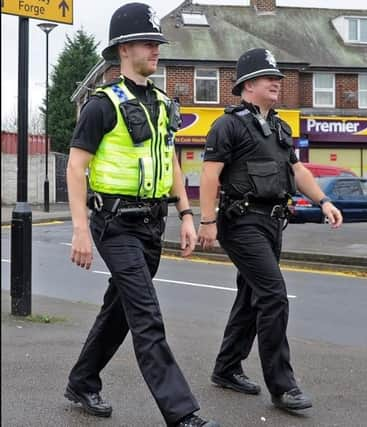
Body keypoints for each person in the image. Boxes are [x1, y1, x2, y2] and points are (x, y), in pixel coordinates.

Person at [64, 3, 219, 426]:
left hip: (152, 223)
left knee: (121, 309)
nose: (156, 50)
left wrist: (186, 214)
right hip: (114, 225)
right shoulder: (101, 105)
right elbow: (76, 166)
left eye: (156, 44)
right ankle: (182, 413)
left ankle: (82, 380)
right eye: (150, 43)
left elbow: (171, 161)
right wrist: (80, 229)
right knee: (147, 314)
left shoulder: (164, 104)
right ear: (125, 48)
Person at [198, 48, 343, 411]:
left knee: (252, 297)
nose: (277, 82)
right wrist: (206, 222)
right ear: (248, 85)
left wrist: (323, 201)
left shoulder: (280, 126)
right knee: (274, 294)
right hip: (241, 222)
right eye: (269, 77)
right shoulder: (227, 125)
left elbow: (298, 171)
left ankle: (227, 368)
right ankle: (283, 386)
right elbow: (209, 176)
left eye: (278, 77)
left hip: (272, 222)